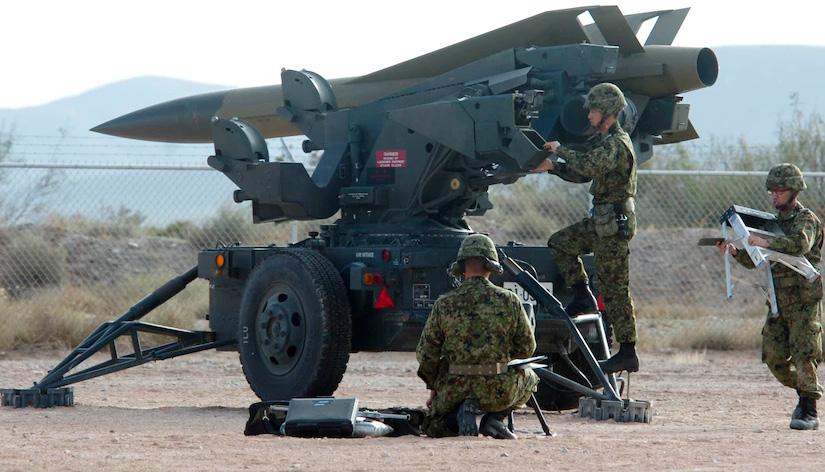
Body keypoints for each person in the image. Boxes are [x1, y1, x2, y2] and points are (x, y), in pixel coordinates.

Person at [531, 82, 639, 374]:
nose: (589, 115)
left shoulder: (616, 144)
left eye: (593, 110)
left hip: (613, 225)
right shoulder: (606, 142)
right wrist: (553, 167)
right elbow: (583, 174)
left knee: (615, 289)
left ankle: (627, 352)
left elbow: (588, 166)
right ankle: (582, 295)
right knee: (561, 243)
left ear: (607, 111)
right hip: (602, 221)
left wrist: (560, 150)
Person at [717, 163, 823, 430]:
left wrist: (766, 242)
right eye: (772, 191)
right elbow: (759, 259)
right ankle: (807, 391)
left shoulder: (806, 220)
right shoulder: (773, 223)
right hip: (778, 300)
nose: (775, 195)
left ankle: (809, 410)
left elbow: (800, 244)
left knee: (804, 353)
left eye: (780, 190)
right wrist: (736, 253)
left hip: (803, 301)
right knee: (774, 357)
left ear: (795, 191)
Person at [415, 234, 539, 439]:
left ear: (461, 267)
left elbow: (426, 354)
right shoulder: (509, 300)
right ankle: (494, 420)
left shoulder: (444, 303)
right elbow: (527, 348)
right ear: (491, 266)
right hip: (498, 389)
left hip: (455, 389)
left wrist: (435, 386)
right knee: (531, 377)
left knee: (433, 426)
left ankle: (458, 416)